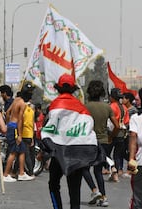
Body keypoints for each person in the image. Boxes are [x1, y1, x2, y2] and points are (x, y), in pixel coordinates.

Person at [41, 74, 101, 209]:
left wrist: (46, 150)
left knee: (53, 184)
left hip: (59, 153)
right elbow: (88, 128)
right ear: (73, 88)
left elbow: (48, 128)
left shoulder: (54, 105)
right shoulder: (81, 107)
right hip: (77, 153)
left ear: (58, 88)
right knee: (75, 190)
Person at [83, 80, 119, 207]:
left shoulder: (85, 107)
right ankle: (103, 197)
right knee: (98, 171)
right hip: (103, 141)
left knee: (84, 168)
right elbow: (117, 125)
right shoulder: (107, 107)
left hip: (88, 141)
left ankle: (94, 190)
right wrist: (111, 137)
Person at [2, 83, 35, 182]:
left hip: (11, 126)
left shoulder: (16, 100)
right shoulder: (22, 104)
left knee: (22, 151)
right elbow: (20, 119)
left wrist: (8, 124)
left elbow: (7, 112)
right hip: (16, 128)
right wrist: (20, 135)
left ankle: (21, 173)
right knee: (13, 152)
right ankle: (6, 174)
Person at [108, 88, 129, 182]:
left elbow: (109, 122)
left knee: (107, 153)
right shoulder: (124, 107)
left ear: (112, 97)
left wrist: (110, 135)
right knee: (117, 154)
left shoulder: (111, 106)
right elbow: (127, 121)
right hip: (122, 132)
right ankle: (118, 169)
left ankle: (113, 170)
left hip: (113, 132)